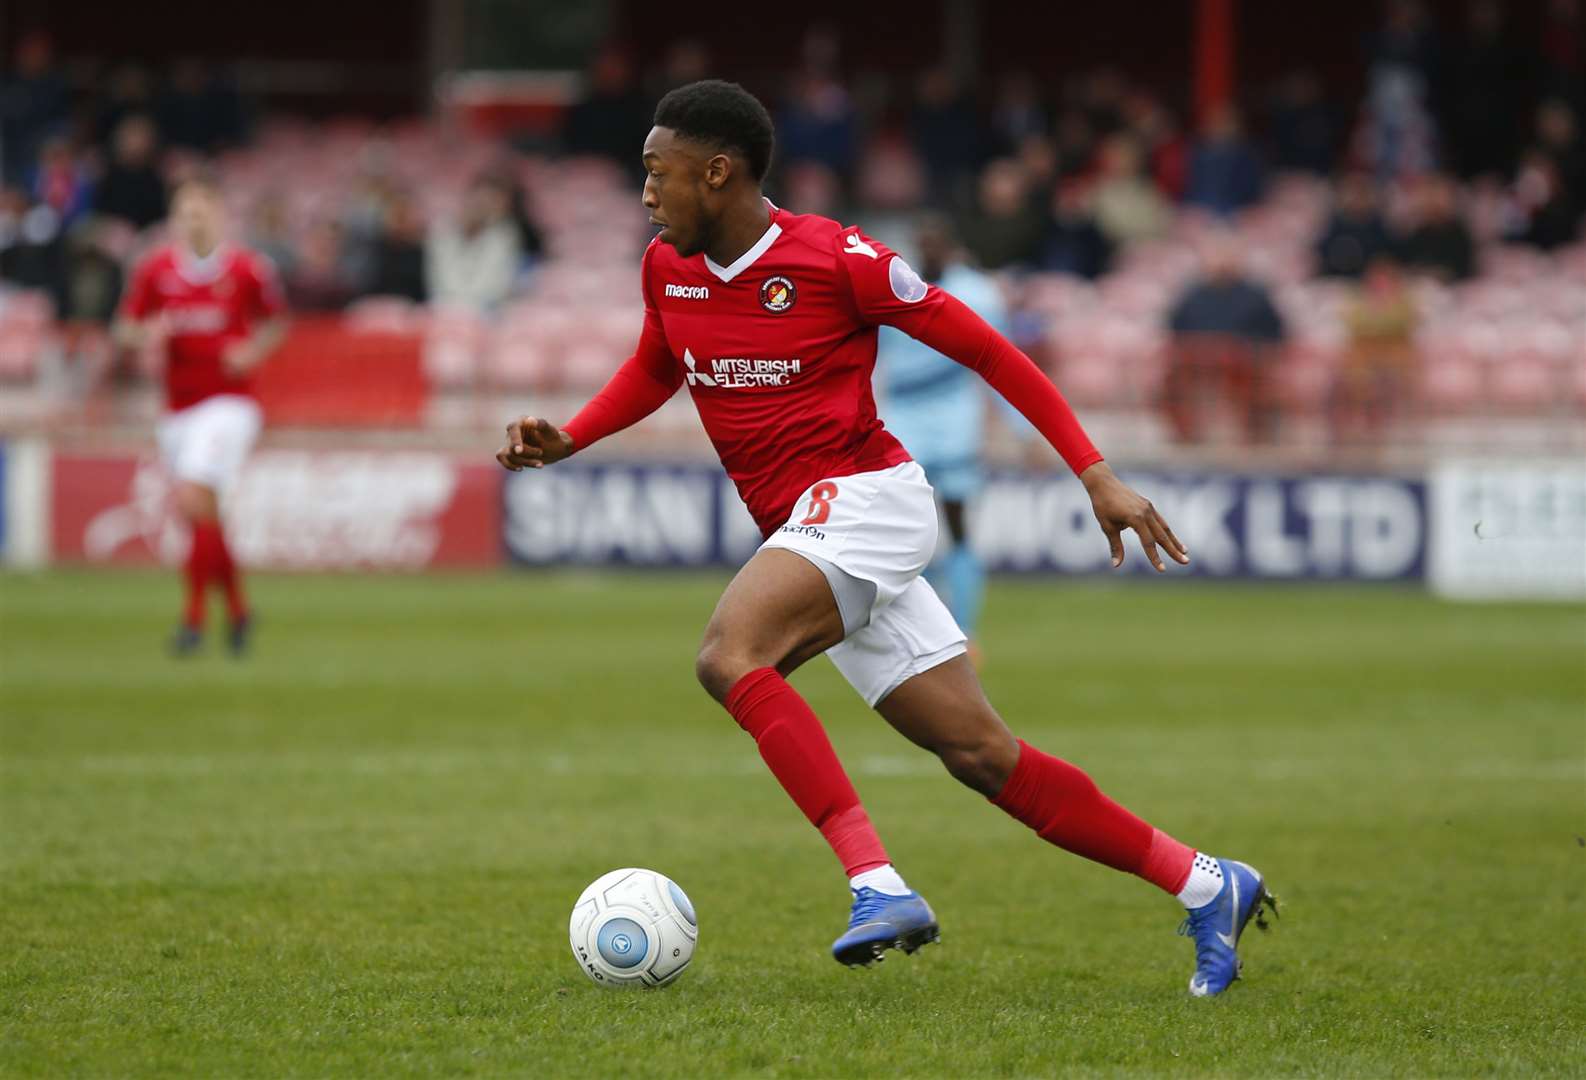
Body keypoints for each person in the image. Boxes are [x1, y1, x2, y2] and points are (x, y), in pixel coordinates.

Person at [497, 80, 1277, 997]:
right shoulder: (666, 266)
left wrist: (1093, 469)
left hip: (869, 498)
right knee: (984, 757)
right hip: (813, 526)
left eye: (655, 172)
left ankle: (877, 884)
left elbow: (987, 348)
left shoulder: (838, 259)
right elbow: (657, 364)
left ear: (717, 172)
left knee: (729, 653)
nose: (645, 192)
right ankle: (1207, 883)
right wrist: (573, 436)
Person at [112, 177, 287, 655]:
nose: (194, 221)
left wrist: (252, 351)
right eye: (185, 213)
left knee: (192, 495)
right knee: (202, 514)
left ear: (220, 215)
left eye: (202, 212)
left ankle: (192, 620)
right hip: (178, 410)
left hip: (230, 404)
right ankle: (238, 611)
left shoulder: (248, 269)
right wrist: (143, 334)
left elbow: (276, 322)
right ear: (175, 219)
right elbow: (123, 326)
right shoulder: (155, 270)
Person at [876, 214, 1021, 653]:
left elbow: (1002, 363)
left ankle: (965, 629)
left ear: (950, 247)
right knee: (909, 529)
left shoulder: (978, 294)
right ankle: (923, 626)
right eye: (924, 244)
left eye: (936, 244)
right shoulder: (892, 287)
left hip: (955, 423)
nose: (929, 252)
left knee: (957, 525)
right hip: (903, 421)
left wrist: (1019, 428)